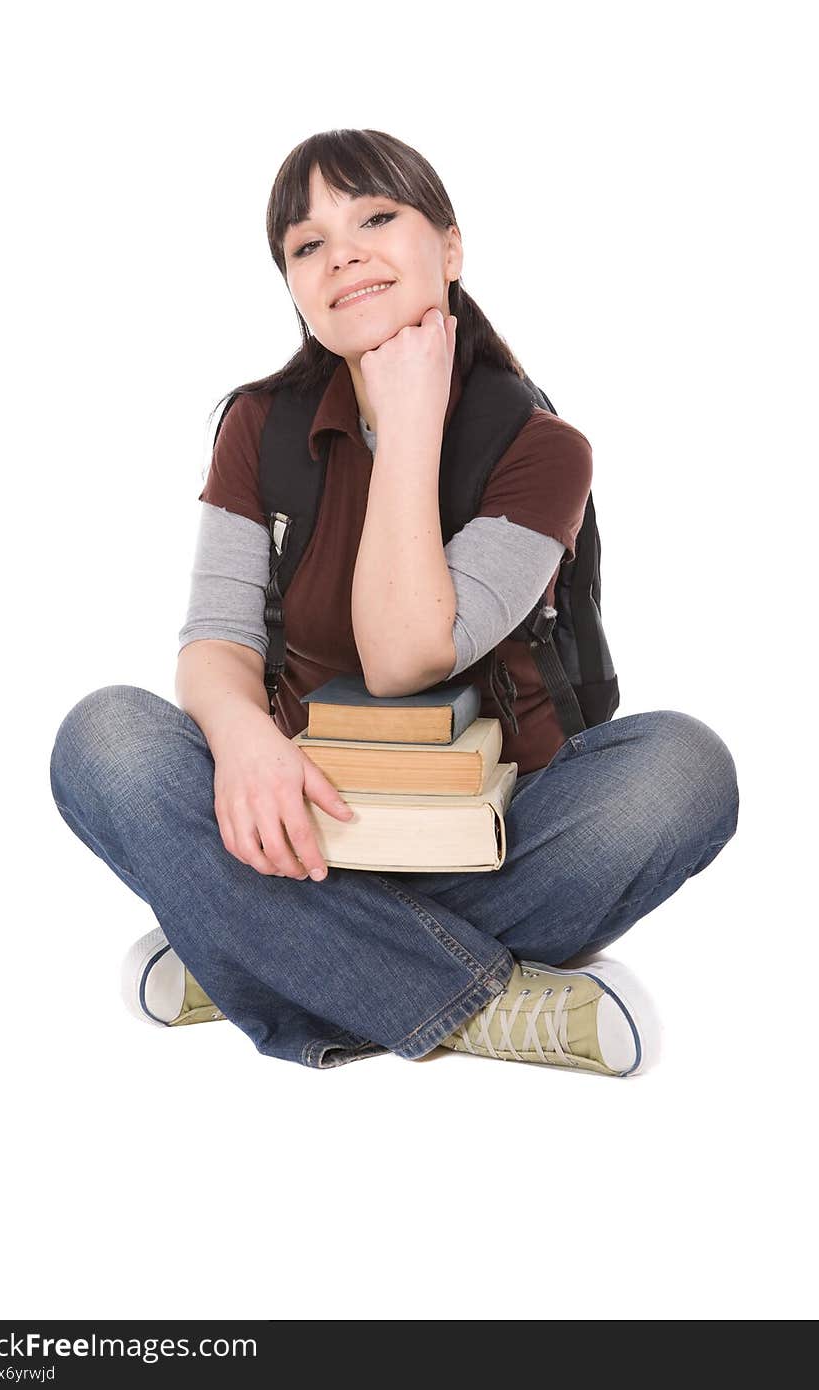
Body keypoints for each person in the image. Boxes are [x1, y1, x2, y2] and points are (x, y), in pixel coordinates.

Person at [49, 128, 739, 1077]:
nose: (342, 253)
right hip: (297, 829)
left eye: (376, 217)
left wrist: (409, 419)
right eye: (306, 244)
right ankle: (481, 1006)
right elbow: (215, 641)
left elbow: (405, 654)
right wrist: (246, 739)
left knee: (684, 769)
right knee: (104, 739)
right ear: (293, 284)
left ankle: (253, 958)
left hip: (495, 833)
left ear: (449, 250)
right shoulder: (259, 425)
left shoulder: (544, 449)